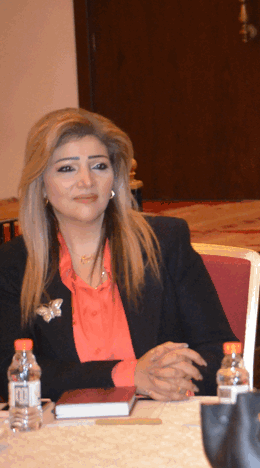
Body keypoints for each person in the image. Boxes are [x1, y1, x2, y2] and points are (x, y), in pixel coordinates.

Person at [0, 108, 237, 402]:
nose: (86, 181)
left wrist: (170, 379)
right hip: (62, 425)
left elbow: (219, 352)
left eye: (99, 166)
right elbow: (8, 372)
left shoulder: (164, 242)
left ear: (114, 178)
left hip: (160, 417)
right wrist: (128, 374)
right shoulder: (14, 263)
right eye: (67, 169)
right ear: (41, 185)